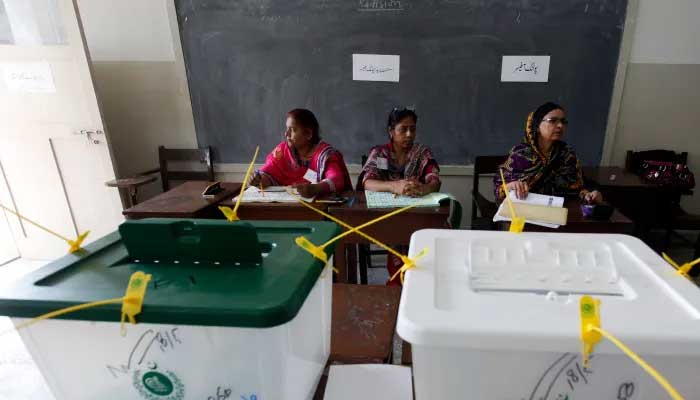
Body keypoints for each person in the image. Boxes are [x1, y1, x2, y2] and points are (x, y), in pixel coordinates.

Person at [361, 108, 441, 285]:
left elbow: (434, 180)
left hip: (417, 212)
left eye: (412, 129)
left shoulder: (422, 152)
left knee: (437, 232)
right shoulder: (380, 153)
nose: (409, 134)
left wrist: (423, 188)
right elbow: (367, 182)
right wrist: (394, 186)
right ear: (391, 131)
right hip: (386, 213)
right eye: (403, 129)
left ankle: (423, 282)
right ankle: (402, 282)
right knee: (398, 233)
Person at [494, 102, 603, 203]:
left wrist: (590, 194)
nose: (560, 125)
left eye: (563, 121)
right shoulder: (520, 154)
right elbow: (499, 190)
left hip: (561, 210)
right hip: (525, 211)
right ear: (536, 126)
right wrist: (510, 186)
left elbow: (578, 187)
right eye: (553, 121)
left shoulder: (566, 154)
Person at [249, 108, 351, 197]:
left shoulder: (325, 155)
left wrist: (316, 188)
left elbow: (336, 179)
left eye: (292, 130)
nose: (286, 134)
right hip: (285, 207)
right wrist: (259, 180)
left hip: (317, 210)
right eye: (286, 129)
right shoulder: (282, 151)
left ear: (308, 134)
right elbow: (269, 173)